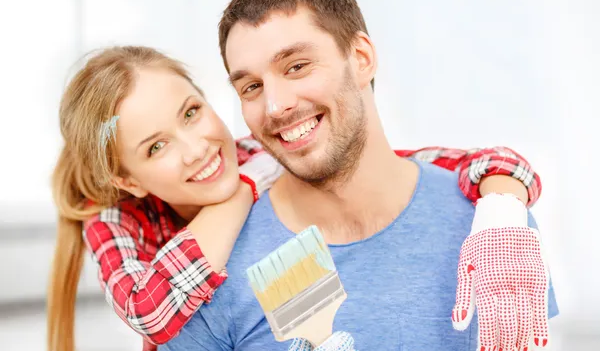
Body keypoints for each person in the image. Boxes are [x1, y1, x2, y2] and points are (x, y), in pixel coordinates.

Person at [161, 0, 558, 351]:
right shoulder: (215, 266)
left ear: (361, 57)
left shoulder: (492, 230)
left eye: (296, 66)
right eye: (251, 86)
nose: (275, 105)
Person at [47, 44, 541, 351]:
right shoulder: (115, 219)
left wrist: (501, 207)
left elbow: (438, 162)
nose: (196, 148)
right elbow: (149, 311)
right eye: (156, 147)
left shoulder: (256, 153)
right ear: (130, 180)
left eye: (192, 112)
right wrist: (238, 194)